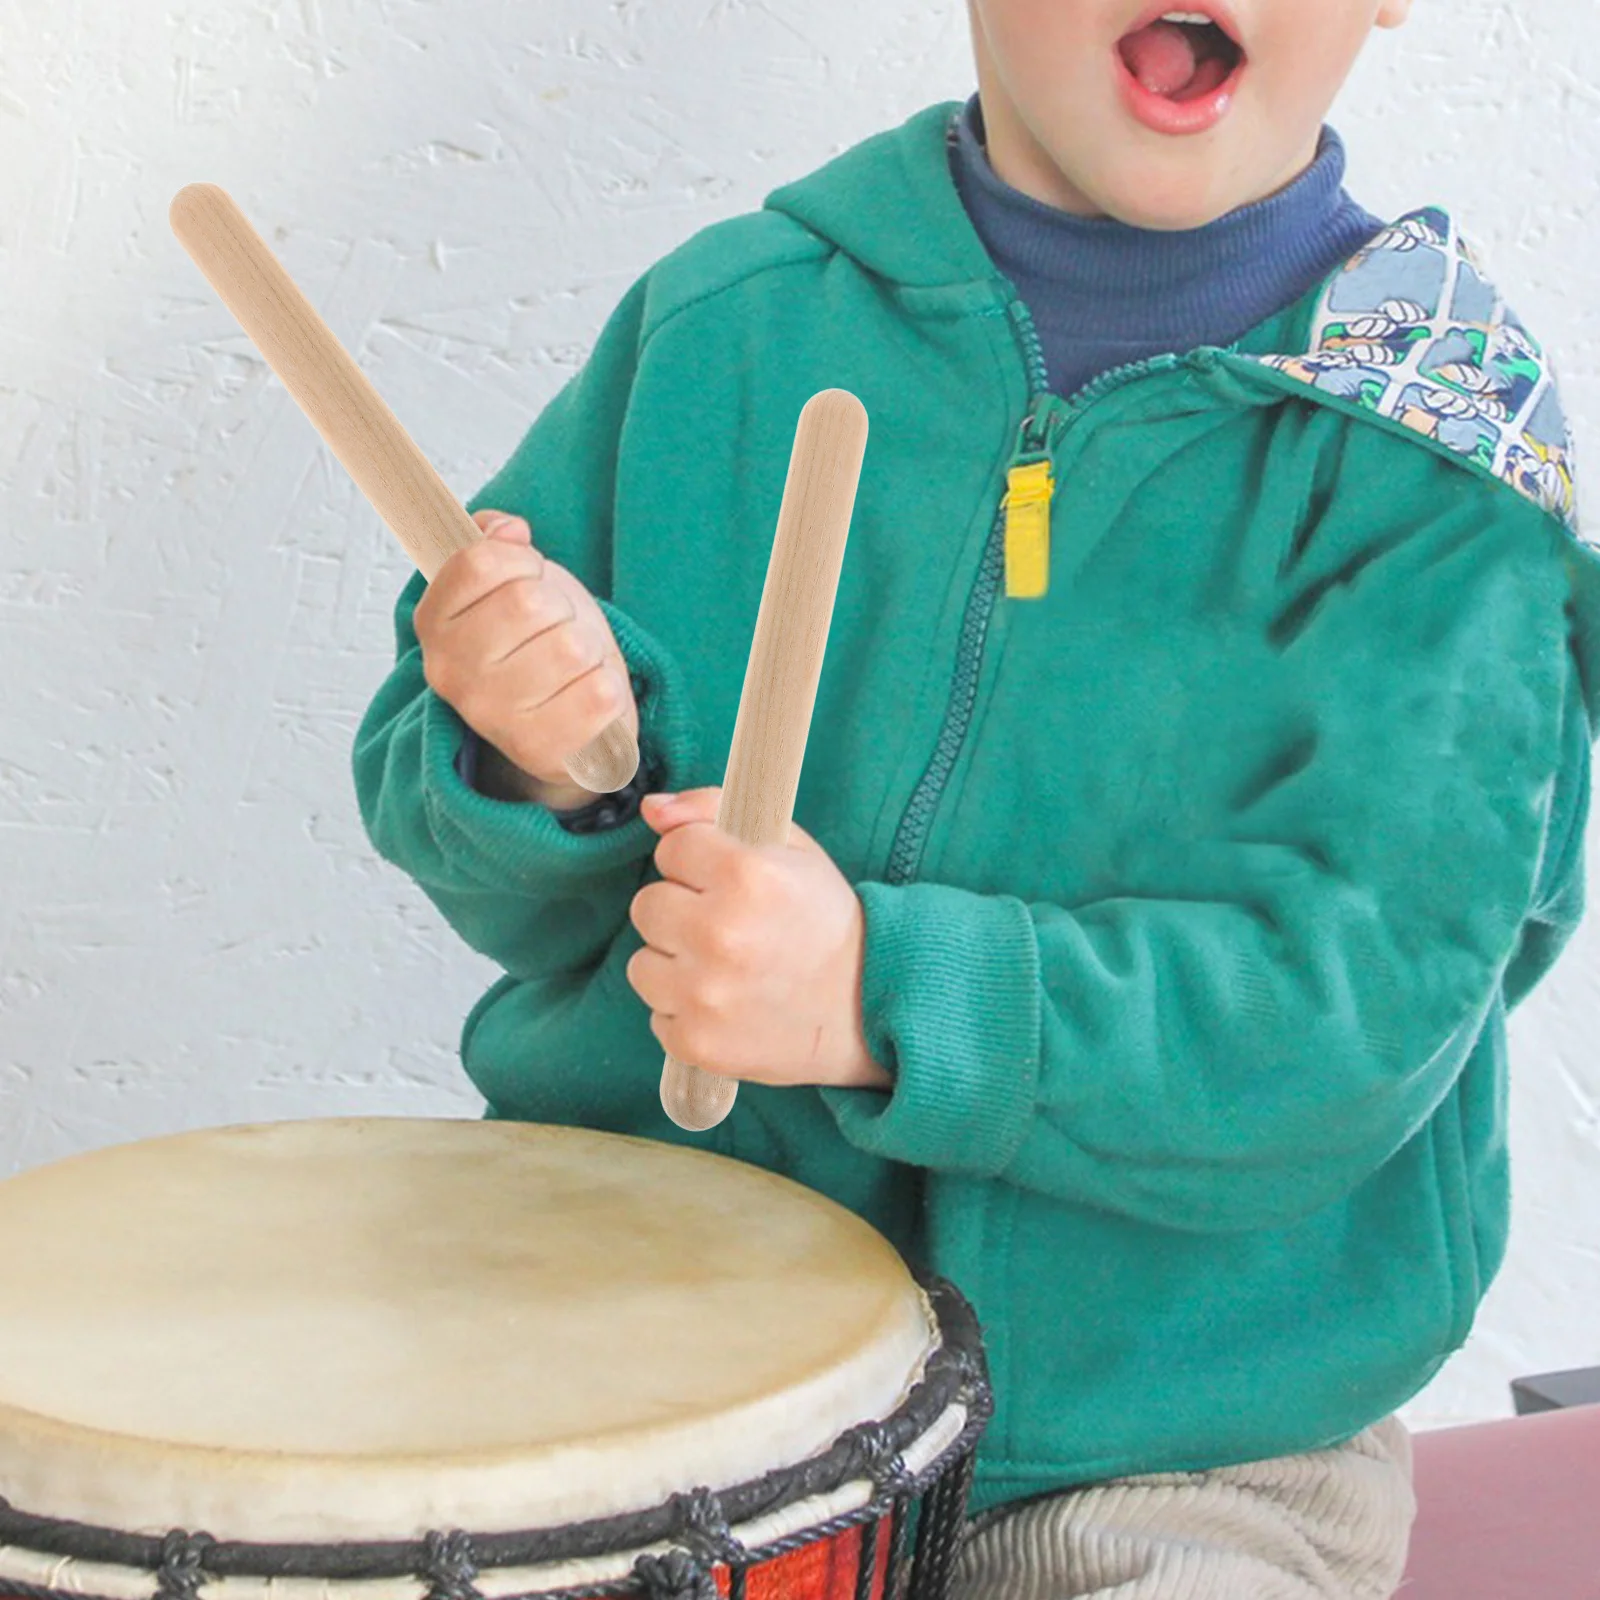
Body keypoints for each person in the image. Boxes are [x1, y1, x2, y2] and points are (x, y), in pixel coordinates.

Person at [352, 2, 1598, 1594]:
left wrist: (886, 997)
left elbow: (1352, 1018)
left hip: (1179, 1452)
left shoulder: (1443, 464)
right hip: (650, 1375)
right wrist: (539, 755)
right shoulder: (722, 326)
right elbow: (493, 863)